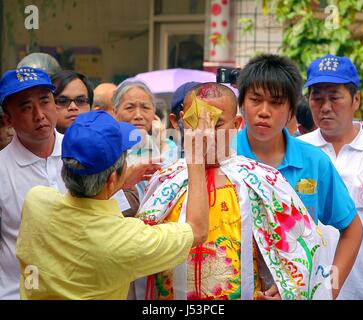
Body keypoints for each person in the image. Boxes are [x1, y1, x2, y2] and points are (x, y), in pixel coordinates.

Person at [134, 82, 332, 300]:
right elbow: (137, 252)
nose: (204, 135)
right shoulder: (165, 181)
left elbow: (303, 248)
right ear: (179, 121)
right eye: (194, 124)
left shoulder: (262, 180)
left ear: (236, 124)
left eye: (215, 125)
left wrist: (285, 287)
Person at [16, 110, 210, 300]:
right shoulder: (125, 240)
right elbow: (197, 230)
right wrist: (197, 158)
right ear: (111, 178)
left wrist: (116, 183)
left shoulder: (36, 201)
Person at [234, 54, 363, 299]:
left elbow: (352, 229)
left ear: (292, 109)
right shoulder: (222, 157)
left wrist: (325, 289)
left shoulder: (314, 163)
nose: (264, 111)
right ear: (242, 103)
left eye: (276, 102)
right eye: (255, 100)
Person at [299, 54, 363, 299]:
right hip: (306, 289)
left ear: (355, 99)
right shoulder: (295, 152)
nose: (325, 107)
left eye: (334, 97)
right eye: (317, 98)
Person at [0, 67, 65, 300]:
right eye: (26, 107)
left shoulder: (84, 152)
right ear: (8, 118)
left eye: (45, 101)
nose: (39, 114)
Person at [112, 80, 176, 200]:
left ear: (154, 113)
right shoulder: (108, 148)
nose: (138, 115)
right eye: (129, 108)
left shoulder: (167, 145)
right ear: (115, 112)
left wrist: (161, 143)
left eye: (145, 108)